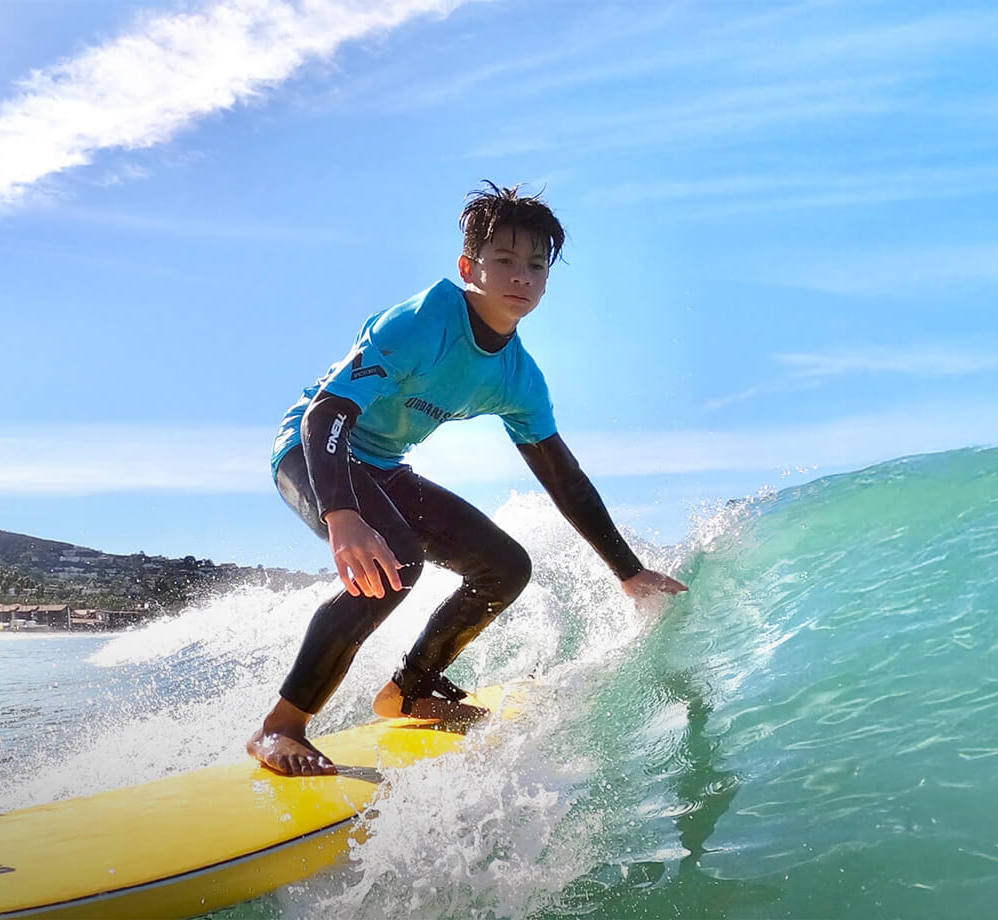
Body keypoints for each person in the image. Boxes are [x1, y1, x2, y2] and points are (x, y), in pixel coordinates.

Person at [248, 181, 689, 777]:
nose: (522, 278)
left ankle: (412, 688)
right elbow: (328, 413)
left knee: (506, 566)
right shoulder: (423, 322)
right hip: (311, 448)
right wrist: (342, 515)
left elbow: (565, 479)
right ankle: (280, 727)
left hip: (382, 467)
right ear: (468, 267)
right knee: (397, 559)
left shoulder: (519, 378)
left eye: (536, 266)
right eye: (504, 261)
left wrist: (628, 572)